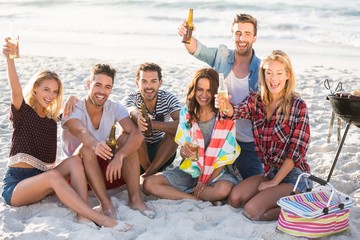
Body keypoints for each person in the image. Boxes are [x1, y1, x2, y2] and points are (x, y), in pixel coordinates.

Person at [1, 38, 132, 231]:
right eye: (46, 89)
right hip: (18, 185)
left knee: (75, 161)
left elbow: (78, 109)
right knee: (54, 176)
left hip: (42, 179)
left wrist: (73, 97)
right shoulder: (23, 112)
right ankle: (99, 218)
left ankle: (82, 214)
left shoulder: (53, 117)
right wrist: (9, 59)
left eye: (55, 91)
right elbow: (16, 90)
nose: (50, 95)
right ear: (35, 88)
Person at [215, 50, 312, 221]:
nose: (273, 79)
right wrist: (224, 106)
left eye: (279, 73)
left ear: (287, 75)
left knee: (253, 211)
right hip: (270, 172)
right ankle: (274, 197)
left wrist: (274, 183)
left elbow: (296, 152)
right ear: (263, 74)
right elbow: (235, 112)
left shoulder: (298, 105)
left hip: (294, 177)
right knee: (235, 199)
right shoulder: (256, 100)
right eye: (269, 73)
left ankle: (301, 206)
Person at [61, 64, 155, 219]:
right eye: (97, 85)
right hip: (77, 177)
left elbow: (137, 134)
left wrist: (120, 156)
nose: (102, 91)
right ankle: (106, 205)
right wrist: (95, 144)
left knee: (127, 140)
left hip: (106, 174)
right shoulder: (73, 107)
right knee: (87, 148)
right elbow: (81, 131)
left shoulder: (114, 107)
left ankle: (135, 199)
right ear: (88, 84)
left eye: (107, 87)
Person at [178, 13, 263, 180]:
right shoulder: (222, 57)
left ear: (254, 38)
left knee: (253, 181)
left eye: (247, 33)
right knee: (203, 177)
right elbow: (196, 49)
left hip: (246, 140)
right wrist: (187, 36)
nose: (241, 38)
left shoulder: (261, 69)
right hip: (218, 137)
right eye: (238, 33)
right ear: (233, 35)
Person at [143, 68, 240, 202]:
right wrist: (184, 151)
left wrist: (206, 181)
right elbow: (184, 154)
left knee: (223, 189)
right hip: (192, 170)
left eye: (209, 90)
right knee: (149, 184)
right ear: (194, 90)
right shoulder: (187, 113)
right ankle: (193, 198)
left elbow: (225, 156)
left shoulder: (223, 114)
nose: (204, 95)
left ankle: (194, 192)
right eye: (200, 89)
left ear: (215, 92)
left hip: (217, 172)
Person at [125, 63, 181, 178]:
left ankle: (150, 173)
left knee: (176, 132)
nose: (148, 86)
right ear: (137, 83)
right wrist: (139, 117)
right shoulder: (131, 98)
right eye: (144, 81)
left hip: (162, 154)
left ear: (160, 83)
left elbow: (183, 123)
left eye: (153, 81)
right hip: (137, 153)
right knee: (132, 130)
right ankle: (150, 171)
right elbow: (131, 110)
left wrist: (152, 124)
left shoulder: (168, 98)